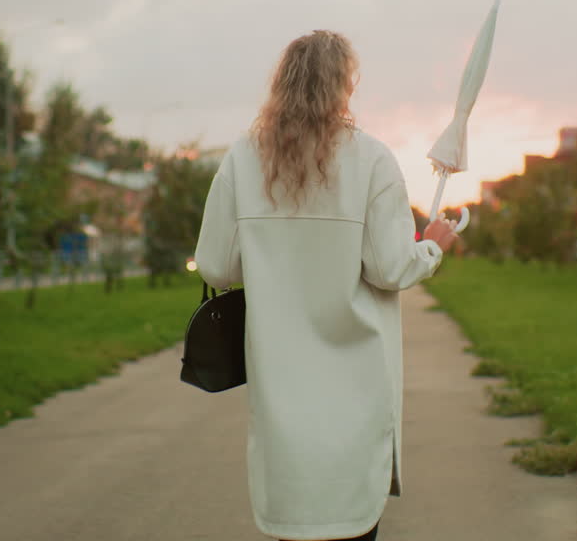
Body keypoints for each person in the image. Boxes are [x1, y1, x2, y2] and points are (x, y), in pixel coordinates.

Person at [194, 30, 459, 541]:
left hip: (280, 385)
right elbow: (391, 268)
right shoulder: (373, 160)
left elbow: (217, 266)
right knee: (353, 516)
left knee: (291, 518)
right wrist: (433, 244)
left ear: (282, 84)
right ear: (345, 87)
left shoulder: (243, 159)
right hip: (356, 386)